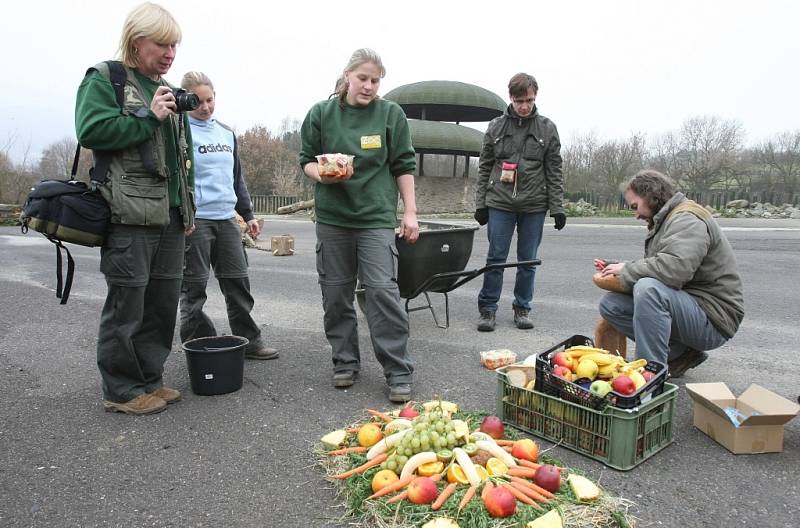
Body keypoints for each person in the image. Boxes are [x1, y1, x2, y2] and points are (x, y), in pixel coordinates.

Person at [75, 2, 195, 415]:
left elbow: (181, 157)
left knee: (161, 305)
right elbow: (91, 130)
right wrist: (148, 117)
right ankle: (121, 389)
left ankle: (149, 379)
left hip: (171, 217)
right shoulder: (106, 77)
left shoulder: (166, 88)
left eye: (174, 45)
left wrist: (188, 212)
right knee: (127, 304)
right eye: (161, 43)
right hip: (129, 213)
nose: (169, 53)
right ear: (136, 39)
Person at [298, 48, 419, 403]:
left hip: (375, 218)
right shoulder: (321, 113)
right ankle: (345, 362)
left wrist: (409, 212)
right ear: (347, 75)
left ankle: (398, 369)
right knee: (336, 294)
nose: (368, 86)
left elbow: (403, 164)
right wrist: (321, 173)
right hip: (334, 218)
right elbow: (306, 160)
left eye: (375, 80)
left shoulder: (390, 114)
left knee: (382, 292)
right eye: (362, 78)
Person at [594, 170, 744, 377]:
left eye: (635, 206)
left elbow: (674, 270)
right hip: (692, 306)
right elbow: (664, 263)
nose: (636, 214)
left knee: (648, 290)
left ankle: (649, 377)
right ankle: (679, 353)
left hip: (714, 318)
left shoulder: (686, 219)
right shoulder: (668, 219)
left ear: (650, 195)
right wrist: (619, 267)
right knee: (611, 305)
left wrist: (628, 270)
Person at [178, 71, 277, 360]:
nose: (205, 107)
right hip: (195, 222)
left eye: (210, 100)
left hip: (226, 219)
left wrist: (248, 215)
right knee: (193, 289)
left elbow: (237, 178)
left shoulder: (225, 133)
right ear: (186, 99)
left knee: (237, 284)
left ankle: (249, 341)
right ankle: (200, 345)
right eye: (198, 102)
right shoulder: (179, 132)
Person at [474, 72, 566, 332]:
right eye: (519, 101)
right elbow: (484, 168)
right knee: (496, 258)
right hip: (500, 202)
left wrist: (557, 206)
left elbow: (554, 169)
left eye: (529, 100)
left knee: (527, 260)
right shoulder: (495, 127)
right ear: (510, 98)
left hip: (534, 205)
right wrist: (481, 203)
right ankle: (488, 309)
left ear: (535, 97)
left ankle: (522, 307)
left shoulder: (547, 129)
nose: (524, 106)